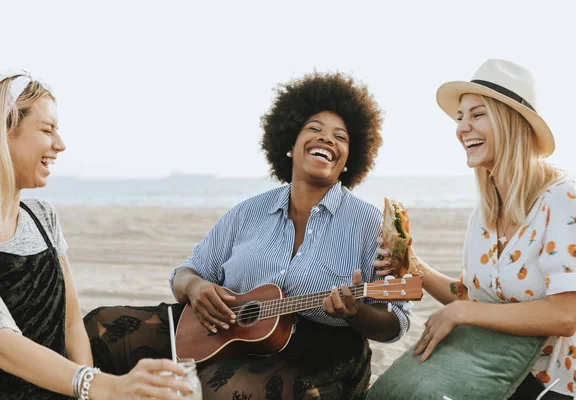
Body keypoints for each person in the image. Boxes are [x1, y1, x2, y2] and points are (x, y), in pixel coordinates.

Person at [84, 72, 412, 400]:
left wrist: (356, 312)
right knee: (100, 327)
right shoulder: (247, 213)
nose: (326, 139)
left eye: (340, 137)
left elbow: (396, 321)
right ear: (289, 145)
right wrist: (196, 287)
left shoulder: (369, 223)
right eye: (314, 129)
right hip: (224, 333)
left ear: (347, 162)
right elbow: (184, 273)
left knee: (219, 386)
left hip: (319, 355)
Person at [373, 59, 576, 399]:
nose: (462, 127)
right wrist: (412, 264)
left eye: (477, 114)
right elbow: (472, 297)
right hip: (499, 377)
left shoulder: (562, 197)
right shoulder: (485, 209)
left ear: (512, 123)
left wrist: (462, 312)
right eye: (461, 117)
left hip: (562, 385)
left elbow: (566, 314)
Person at [0, 71, 192, 399]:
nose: (59, 144)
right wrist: (103, 386)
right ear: (5, 131)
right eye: (47, 130)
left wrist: (85, 394)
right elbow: (4, 344)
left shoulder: (43, 216)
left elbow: (72, 323)